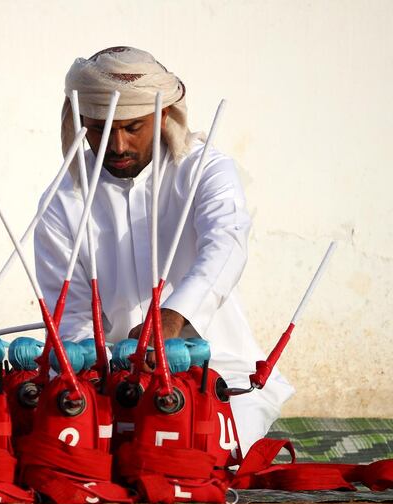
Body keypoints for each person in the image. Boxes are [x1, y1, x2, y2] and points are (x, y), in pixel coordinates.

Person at [34, 46, 294, 451]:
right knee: (67, 450)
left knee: (203, 453)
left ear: (163, 117)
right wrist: (101, 371)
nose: (117, 145)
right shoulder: (62, 201)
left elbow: (225, 245)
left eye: (133, 127)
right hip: (110, 382)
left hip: (219, 375)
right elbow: (72, 320)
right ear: (80, 122)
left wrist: (170, 320)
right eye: (100, 129)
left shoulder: (205, 169)